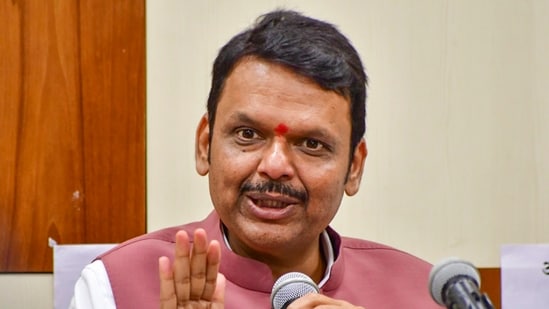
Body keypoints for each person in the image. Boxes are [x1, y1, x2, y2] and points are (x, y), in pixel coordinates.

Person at [71, 9, 439, 308]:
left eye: (311, 144)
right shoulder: (114, 288)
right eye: (248, 135)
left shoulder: (428, 294)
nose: (275, 166)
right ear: (204, 145)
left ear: (354, 167)